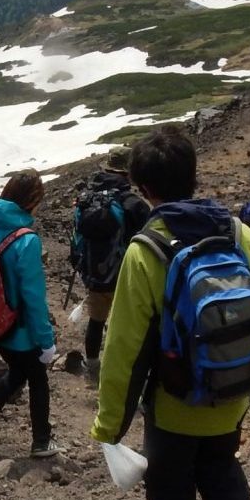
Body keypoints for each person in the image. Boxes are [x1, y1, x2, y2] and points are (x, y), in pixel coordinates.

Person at [90, 125, 250, 500]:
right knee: (222, 469)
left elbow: (125, 349)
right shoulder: (239, 234)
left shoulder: (146, 251)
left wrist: (109, 427)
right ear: (194, 176)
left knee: (170, 487)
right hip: (233, 390)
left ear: (143, 188)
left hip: (176, 403)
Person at [0, 170, 64, 458]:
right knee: (37, 378)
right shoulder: (27, 240)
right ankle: (42, 441)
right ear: (32, 201)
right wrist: (46, 341)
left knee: (19, 373)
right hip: (18, 327)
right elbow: (33, 297)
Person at [69, 147, 151, 382]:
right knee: (126, 325)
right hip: (125, 275)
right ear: (128, 173)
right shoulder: (133, 203)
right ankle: (126, 372)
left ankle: (92, 368)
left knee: (96, 321)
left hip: (94, 274)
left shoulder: (86, 200)